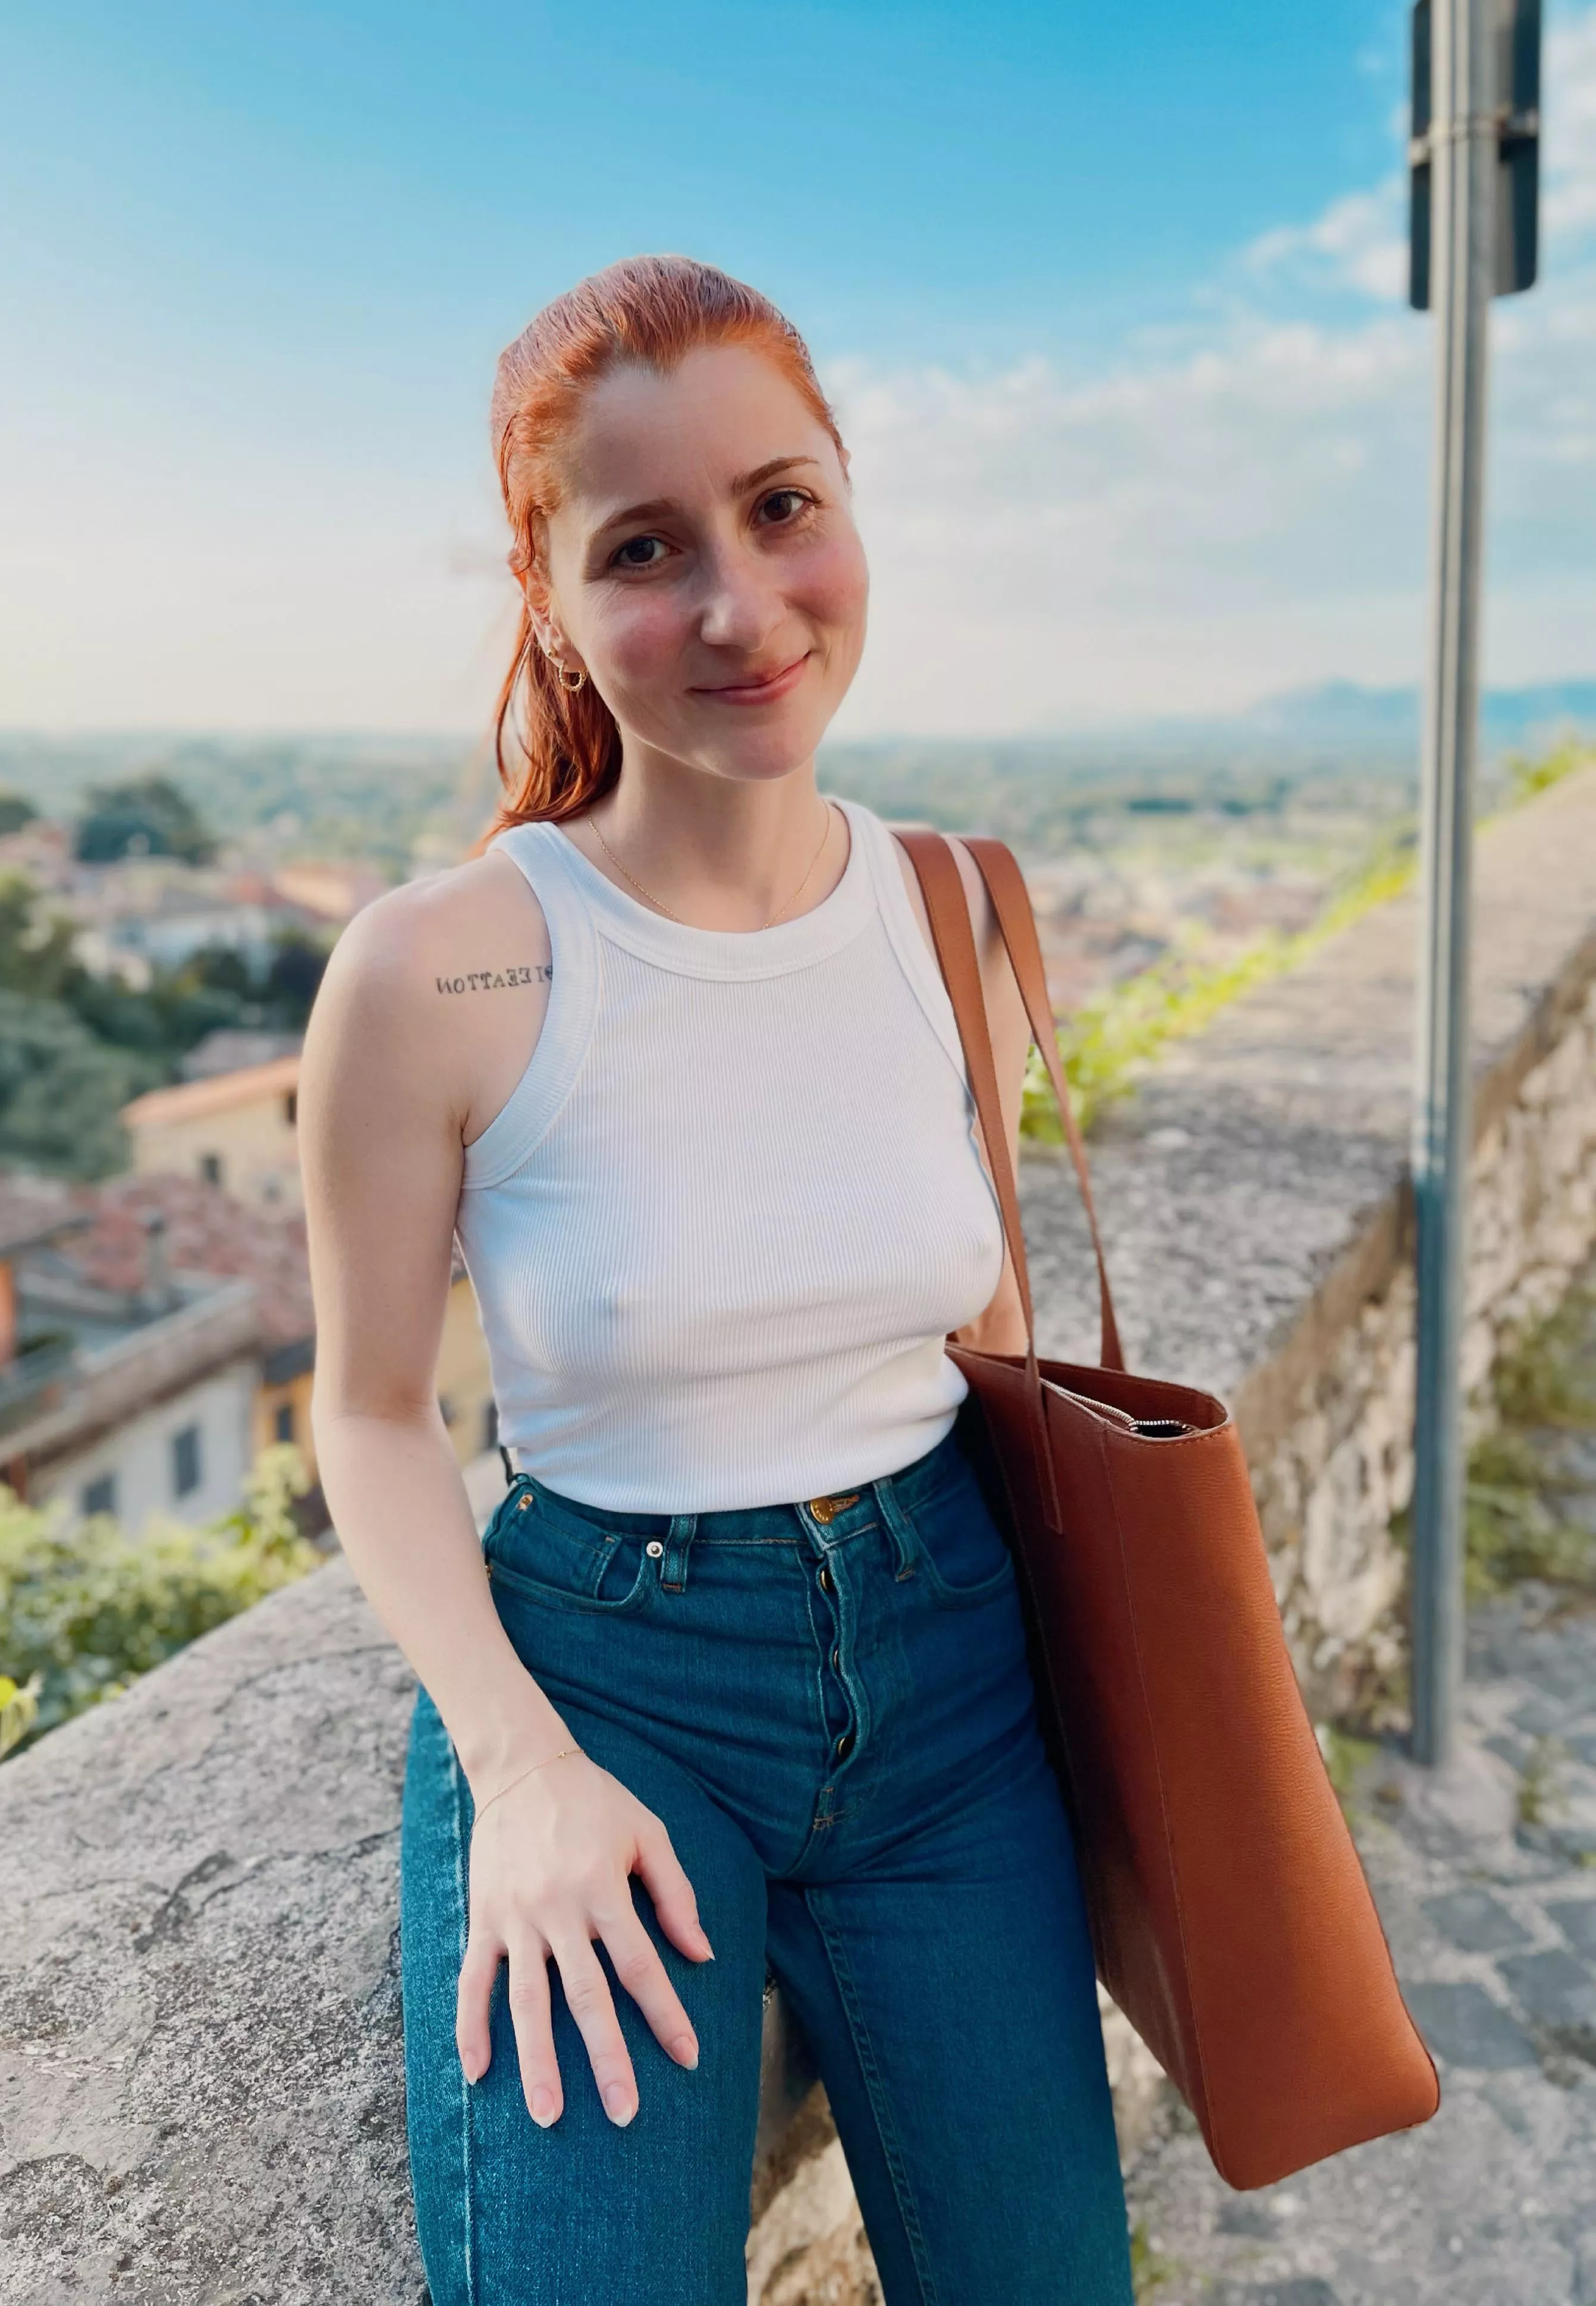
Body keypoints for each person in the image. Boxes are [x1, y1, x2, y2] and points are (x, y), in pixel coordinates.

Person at [301, 255, 1134, 2306]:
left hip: (955, 1694)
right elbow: (371, 1409)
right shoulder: (448, 967)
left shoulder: (956, 905)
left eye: (783, 507)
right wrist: (520, 1770)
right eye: (646, 547)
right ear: (552, 597)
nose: (742, 608)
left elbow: (983, 1332)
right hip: (616, 1688)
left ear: (850, 501)